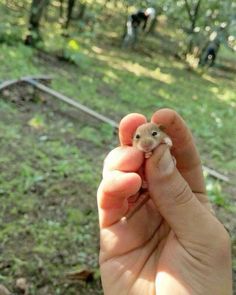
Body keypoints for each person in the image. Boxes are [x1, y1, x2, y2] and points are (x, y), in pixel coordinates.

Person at [97, 109, 232, 295]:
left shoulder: (165, 145)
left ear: (160, 132)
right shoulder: (138, 153)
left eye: (153, 135)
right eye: (138, 138)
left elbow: (167, 142)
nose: (145, 142)